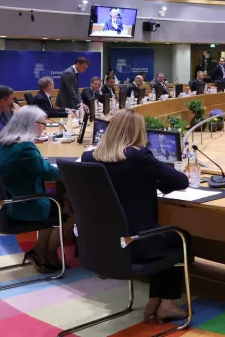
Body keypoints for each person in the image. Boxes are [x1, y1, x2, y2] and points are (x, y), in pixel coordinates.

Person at [81, 109, 190, 323]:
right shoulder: (139, 156)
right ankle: (166, 303)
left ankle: (155, 300)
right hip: (135, 244)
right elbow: (181, 181)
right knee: (180, 238)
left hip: (100, 245)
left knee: (162, 236)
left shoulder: (88, 157)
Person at [0, 105, 67, 272]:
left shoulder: (3, 143)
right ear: (31, 124)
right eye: (42, 123)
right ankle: (45, 251)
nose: (45, 127)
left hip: (8, 202)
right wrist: (71, 169)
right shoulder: (25, 147)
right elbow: (49, 174)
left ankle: (41, 251)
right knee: (71, 209)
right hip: (25, 205)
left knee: (60, 202)